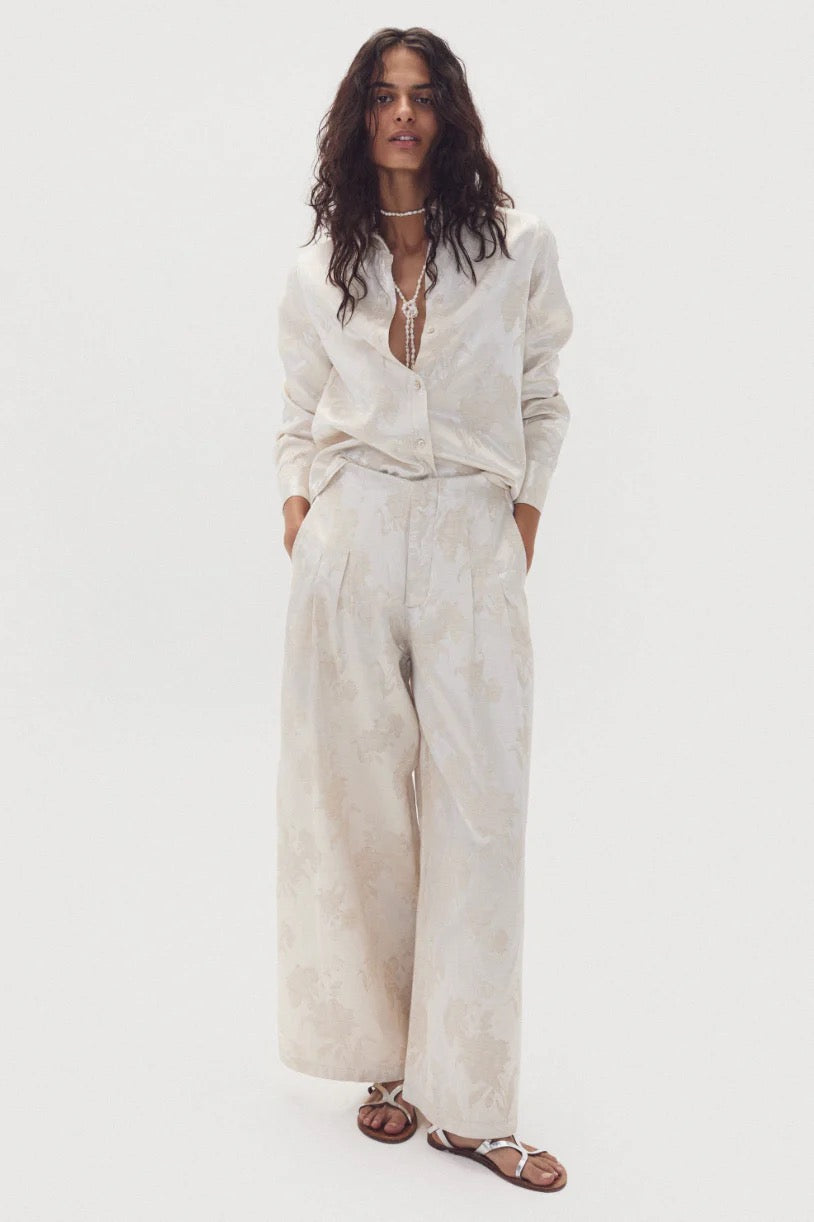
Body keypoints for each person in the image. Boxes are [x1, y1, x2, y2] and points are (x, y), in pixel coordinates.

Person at [274, 26, 573, 1194]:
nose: (402, 114)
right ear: (359, 120)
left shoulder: (515, 246)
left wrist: (520, 520)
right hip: (349, 544)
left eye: (422, 95)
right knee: (362, 812)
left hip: (467, 538)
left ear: (450, 114)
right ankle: (390, 1063)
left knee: (480, 817)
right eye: (383, 96)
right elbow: (296, 410)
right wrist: (301, 513)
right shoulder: (320, 269)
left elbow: (542, 393)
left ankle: (474, 1104)